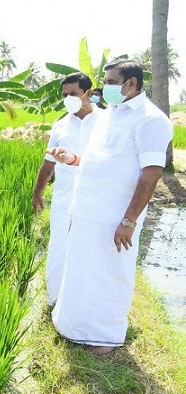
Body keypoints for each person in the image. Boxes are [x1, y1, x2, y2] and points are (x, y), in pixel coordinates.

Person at [47, 60, 173, 354]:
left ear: (131, 84)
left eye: (112, 82)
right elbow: (95, 158)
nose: (105, 89)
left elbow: (151, 173)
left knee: (110, 274)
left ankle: (105, 337)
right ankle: (73, 327)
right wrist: (71, 159)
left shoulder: (150, 119)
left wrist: (128, 221)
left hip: (114, 217)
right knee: (80, 269)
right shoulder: (106, 116)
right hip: (86, 211)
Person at [32, 72, 98, 306]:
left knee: (89, 248)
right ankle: (55, 299)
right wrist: (37, 192)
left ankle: (84, 302)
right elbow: (48, 163)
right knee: (59, 244)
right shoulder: (60, 125)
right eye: (65, 95)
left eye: (74, 94)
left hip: (95, 197)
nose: (68, 98)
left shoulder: (105, 122)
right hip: (64, 196)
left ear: (88, 93)